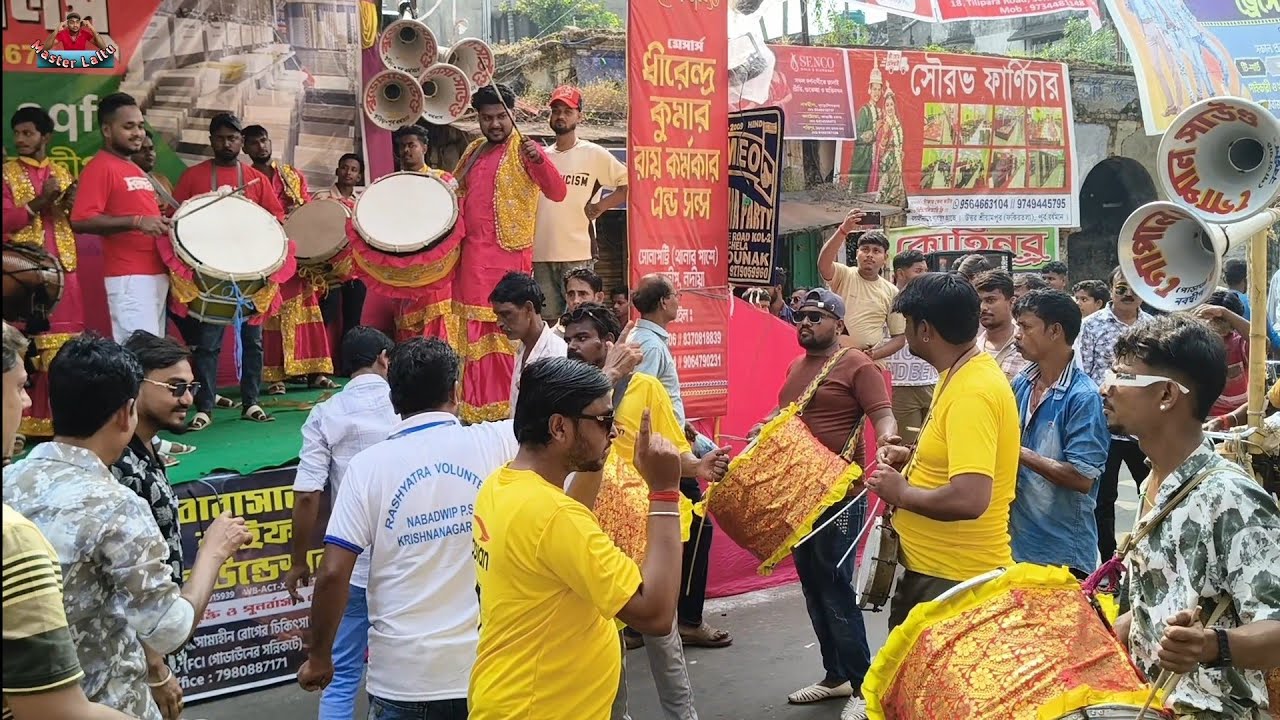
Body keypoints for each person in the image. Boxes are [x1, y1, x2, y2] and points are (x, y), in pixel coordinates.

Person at [2, 333, 251, 720]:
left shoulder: (11, 481)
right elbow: (168, 629)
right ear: (126, 413)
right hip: (102, 704)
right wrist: (213, 554)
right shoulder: (116, 505)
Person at [297, 337, 521, 718]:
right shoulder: (495, 441)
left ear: (394, 400)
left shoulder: (367, 468)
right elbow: (563, 415)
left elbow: (334, 572)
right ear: (455, 391)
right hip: (485, 674)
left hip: (403, 682)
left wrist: (319, 657)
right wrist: (610, 373)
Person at [468, 357, 685, 720]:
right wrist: (664, 491)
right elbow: (656, 613)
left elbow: (570, 517)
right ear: (559, 427)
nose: (613, 431)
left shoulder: (502, 484)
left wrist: (599, 451)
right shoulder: (553, 517)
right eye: (604, 421)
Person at [1102, 315, 1280, 718]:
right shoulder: (1155, 478)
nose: (1106, 387)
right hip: (1150, 704)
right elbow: (1156, 604)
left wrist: (1211, 644)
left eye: (1124, 377)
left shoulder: (1231, 498)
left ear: (1167, 395)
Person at [561, 303, 730, 720]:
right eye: (568, 339)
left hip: (640, 531)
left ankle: (682, 715)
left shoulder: (646, 389)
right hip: (589, 529)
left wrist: (697, 466)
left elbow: (668, 451)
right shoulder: (566, 395)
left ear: (609, 341)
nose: (573, 347)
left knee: (662, 632)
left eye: (582, 338)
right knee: (603, 636)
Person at [754, 289, 894, 716]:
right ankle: (835, 676)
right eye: (802, 316)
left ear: (838, 324)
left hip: (838, 495)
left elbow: (882, 412)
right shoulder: (797, 366)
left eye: (817, 317)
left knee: (835, 587)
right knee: (813, 586)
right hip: (799, 494)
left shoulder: (856, 363)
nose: (806, 323)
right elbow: (791, 421)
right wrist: (766, 428)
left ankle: (861, 687)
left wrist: (888, 438)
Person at [866, 273, 1019, 629]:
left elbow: (970, 499)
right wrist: (911, 458)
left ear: (925, 330)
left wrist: (902, 493)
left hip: (952, 579)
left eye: (907, 323)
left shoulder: (972, 392)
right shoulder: (957, 372)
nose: (904, 334)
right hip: (938, 573)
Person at [1, 324, 137, 720]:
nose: (26, 403)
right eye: (19, 386)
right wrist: (214, 550)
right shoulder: (12, 540)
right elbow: (57, 713)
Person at [284, 326, 395, 720]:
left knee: (340, 674)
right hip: (406, 561)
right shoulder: (404, 404)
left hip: (350, 565)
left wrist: (299, 560)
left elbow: (307, 494)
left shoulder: (326, 413)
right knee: (402, 675)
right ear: (384, 358)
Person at [452, 84, 567, 422]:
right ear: (478, 119)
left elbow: (557, 191)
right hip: (471, 263)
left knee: (506, 338)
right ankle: (473, 413)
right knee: (473, 341)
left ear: (512, 115)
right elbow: (454, 191)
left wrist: (541, 160)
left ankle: (508, 414)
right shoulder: (473, 150)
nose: (495, 124)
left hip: (508, 264)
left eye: (501, 116)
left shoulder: (525, 149)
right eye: (487, 118)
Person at [630, 274, 730, 648]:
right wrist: (687, 451)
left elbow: (665, 406)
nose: (679, 302)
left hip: (672, 446)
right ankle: (686, 619)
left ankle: (645, 620)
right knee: (696, 531)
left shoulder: (647, 340)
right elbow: (644, 405)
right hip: (666, 455)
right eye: (675, 296)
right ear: (663, 303)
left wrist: (699, 441)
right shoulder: (650, 345)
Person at [172, 113, 286, 429]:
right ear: (211, 140)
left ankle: (251, 403)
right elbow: (176, 223)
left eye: (233, 138)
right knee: (208, 345)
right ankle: (205, 408)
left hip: (251, 276)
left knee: (254, 342)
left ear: (241, 142)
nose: (227, 143)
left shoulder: (255, 180)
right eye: (221, 137)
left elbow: (276, 221)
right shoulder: (193, 178)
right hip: (211, 275)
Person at [107, 331, 195, 719]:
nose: (188, 400)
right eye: (176, 388)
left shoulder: (145, 450)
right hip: (131, 659)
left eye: (191, 387)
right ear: (135, 384)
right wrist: (156, 667)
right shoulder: (118, 464)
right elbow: (119, 584)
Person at [1008, 290, 1108, 579]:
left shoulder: (1083, 397)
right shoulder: (1023, 383)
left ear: (1054, 331)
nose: (1017, 335)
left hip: (1062, 552)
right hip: (1017, 545)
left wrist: (1017, 451)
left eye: (1026, 327)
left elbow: (1081, 478)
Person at [2, 106, 85, 448]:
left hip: (63, 272)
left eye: (28, 133)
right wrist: (41, 201)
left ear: (45, 136)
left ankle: (59, 422)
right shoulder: (6, 174)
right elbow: (5, 220)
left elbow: (76, 220)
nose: (21, 140)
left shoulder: (63, 173)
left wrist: (70, 203)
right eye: (18, 134)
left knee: (63, 352)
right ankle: (16, 424)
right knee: (18, 350)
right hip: (20, 275)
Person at [241, 124, 336, 394]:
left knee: (307, 310)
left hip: (294, 254)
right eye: (255, 143)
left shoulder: (290, 175)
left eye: (264, 140)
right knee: (271, 313)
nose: (262, 146)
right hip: (264, 254)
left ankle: (315, 373)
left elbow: (305, 209)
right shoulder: (245, 179)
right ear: (245, 148)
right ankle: (275, 378)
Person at [70, 92, 171, 343]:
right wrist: (136, 221)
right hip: (129, 278)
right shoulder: (100, 167)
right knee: (138, 356)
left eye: (140, 126)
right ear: (107, 129)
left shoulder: (132, 167)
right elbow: (80, 220)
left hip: (155, 273)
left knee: (152, 356)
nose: (138, 133)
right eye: (128, 127)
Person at [1076, 267, 1154, 560]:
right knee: (1103, 497)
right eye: (1122, 287)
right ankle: (1109, 561)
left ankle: (1144, 555)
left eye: (1135, 286)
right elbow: (1083, 371)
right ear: (1111, 290)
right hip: (1102, 424)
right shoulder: (1091, 325)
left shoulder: (1152, 328)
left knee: (1149, 490)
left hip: (1141, 425)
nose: (1128, 293)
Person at [533, 86, 628, 320]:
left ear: (579, 116)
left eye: (568, 110)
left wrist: (600, 207)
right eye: (556, 110)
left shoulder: (593, 153)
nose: (561, 116)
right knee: (548, 322)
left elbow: (628, 183)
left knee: (581, 318)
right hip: (540, 254)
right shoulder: (541, 157)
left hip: (578, 253)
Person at [817, 215, 905, 363]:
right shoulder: (844, 274)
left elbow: (899, 338)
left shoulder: (892, 292)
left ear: (885, 258)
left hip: (870, 364)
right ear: (857, 254)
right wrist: (843, 230)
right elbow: (823, 264)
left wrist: (873, 355)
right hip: (835, 360)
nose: (869, 255)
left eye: (876, 251)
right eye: (865, 250)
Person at [312, 153, 368, 361]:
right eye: (344, 168)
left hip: (354, 269)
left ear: (359, 176)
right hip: (326, 270)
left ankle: (347, 364)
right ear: (337, 171)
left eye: (353, 169)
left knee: (353, 320)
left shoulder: (361, 203)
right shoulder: (322, 197)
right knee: (324, 316)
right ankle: (314, 364)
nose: (348, 173)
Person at [490, 271, 568, 414]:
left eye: (506, 314)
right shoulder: (521, 348)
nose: (499, 323)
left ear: (528, 308)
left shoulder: (556, 354)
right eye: (498, 316)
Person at [884, 250, 935, 446]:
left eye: (925, 270)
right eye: (918, 270)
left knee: (932, 443)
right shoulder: (887, 297)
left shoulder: (932, 300)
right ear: (901, 273)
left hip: (931, 380)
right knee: (906, 445)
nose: (924, 275)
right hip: (900, 384)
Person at [1193, 290, 1250, 417]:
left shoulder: (1240, 343)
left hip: (1238, 419)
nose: (1216, 324)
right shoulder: (1196, 343)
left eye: (1223, 320)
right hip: (1206, 420)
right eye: (1213, 319)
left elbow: (1262, 343)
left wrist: (1224, 312)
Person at [974, 269, 1029, 382]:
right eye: (979, 301)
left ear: (1012, 302)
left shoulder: (1029, 346)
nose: (983, 308)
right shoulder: (973, 348)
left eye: (990, 300)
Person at [849, 64, 883, 194]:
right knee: (857, 189)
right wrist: (875, 128)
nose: (877, 93)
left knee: (866, 190)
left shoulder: (879, 111)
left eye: (879, 90)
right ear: (869, 90)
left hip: (872, 158)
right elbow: (858, 136)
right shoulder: (864, 111)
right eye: (874, 89)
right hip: (862, 157)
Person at [130, 129, 179, 212]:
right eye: (142, 149)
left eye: (151, 148)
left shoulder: (162, 179)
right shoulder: (125, 183)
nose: (149, 153)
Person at [42, 12, 106, 51]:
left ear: (80, 23)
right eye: (72, 22)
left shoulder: (84, 34)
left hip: (82, 64)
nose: (75, 25)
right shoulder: (63, 34)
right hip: (68, 64)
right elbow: (46, 48)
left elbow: (103, 47)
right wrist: (56, 30)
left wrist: (92, 28)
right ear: (67, 24)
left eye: (77, 22)